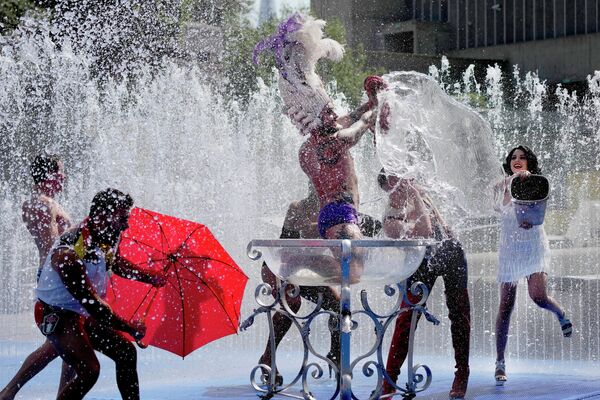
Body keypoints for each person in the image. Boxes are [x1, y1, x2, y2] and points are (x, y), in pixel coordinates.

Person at [34, 188, 165, 400]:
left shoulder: (105, 235)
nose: (127, 224)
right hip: (56, 314)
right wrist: (131, 328)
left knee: (126, 353)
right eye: (122, 218)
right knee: (89, 370)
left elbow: (115, 262)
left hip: (81, 313)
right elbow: (94, 305)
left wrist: (149, 276)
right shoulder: (69, 252)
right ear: (103, 215)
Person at [258, 186, 382, 384]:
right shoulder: (297, 208)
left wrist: (354, 220)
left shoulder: (339, 212)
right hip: (279, 265)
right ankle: (267, 358)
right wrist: (320, 225)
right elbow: (288, 244)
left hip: (306, 266)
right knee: (292, 303)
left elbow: (375, 226)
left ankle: (335, 354)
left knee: (338, 304)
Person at [379, 170, 471, 400]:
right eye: (396, 187)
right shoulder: (391, 218)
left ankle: (462, 372)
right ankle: (389, 381)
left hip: (452, 254)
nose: (403, 188)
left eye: (404, 182)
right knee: (406, 319)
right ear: (387, 192)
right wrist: (413, 194)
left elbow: (441, 226)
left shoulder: (423, 196)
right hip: (422, 263)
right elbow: (425, 230)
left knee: (460, 315)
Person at [493, 145, 572, 386]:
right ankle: (500, 362)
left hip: (533, 244)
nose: (517, 160)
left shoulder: (535, 182)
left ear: (529, 162)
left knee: (538, 296)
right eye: (513, 157)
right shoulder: (499, 185)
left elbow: (541, 210)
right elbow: (497, 210)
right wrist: (509, 186)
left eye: (522, 157)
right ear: (509, 162)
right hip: (510, 248)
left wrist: (527, 185)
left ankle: (560, 313)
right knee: (505, 306)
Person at [0, 155, 74, 400]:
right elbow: (53, 246)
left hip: (56, 273)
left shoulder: (48, 203)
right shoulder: (42, 204)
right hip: (56, 276)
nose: (63, 176)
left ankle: (64, 395)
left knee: (76, 341)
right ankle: (9, 391)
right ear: (48, 175)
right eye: (60, 172)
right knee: (62, 341)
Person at [298, 77, 385, 283]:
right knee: (353, 274)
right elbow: (362, 122)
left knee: (350, 272)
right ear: (318, 118)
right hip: (342, 214)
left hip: (330, 214)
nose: (335, 114)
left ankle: (307, 265)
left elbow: (353, 116)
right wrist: (380, 104)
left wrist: (372, 100)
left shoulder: (308, 147)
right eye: (329, 112)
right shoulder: (337, 141)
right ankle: (302, 261)